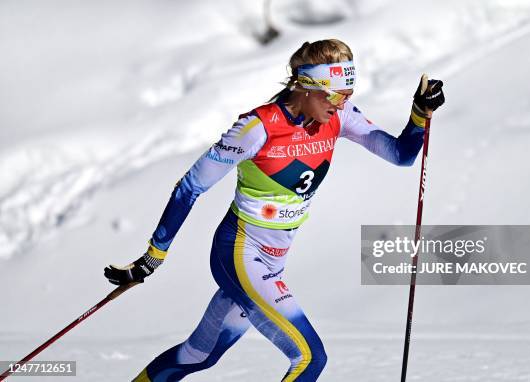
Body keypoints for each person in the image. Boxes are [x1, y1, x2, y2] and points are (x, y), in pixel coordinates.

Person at [104, 39, 445, 382]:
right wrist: (153, 255)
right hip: (239, 253)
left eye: (349, 93)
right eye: (336, 94)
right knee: (310, 358)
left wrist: (419, 114)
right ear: (307, 85)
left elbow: (401, 155)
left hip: (273, 260)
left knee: (198, 355)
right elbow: (190, 187)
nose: (343, 102)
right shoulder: (258, 128)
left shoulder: (338, 117)